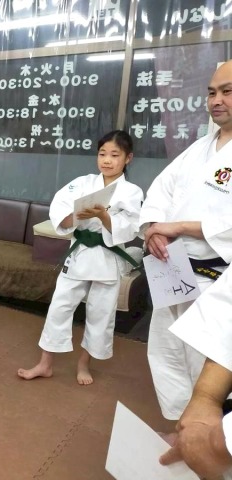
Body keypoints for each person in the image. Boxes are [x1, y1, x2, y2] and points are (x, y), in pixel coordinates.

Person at [139, 59, 232, 422]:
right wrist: (153, 228)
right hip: (173, 264)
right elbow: (161, 189)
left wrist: (178, 227)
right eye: (211, 92)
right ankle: (180, 426)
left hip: (216, 276)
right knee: (168, 349)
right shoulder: (200, 148)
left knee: (205, 357)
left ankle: (206, 434)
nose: (216, 100)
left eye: (227, 92)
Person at [18, 130, 143, 385]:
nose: (107, 160)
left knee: (100, 314)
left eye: (115, 155)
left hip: (107, 259)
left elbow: (131, 227)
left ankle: (84, 363)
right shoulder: (82, 183)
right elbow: (60, 211)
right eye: (102, 154)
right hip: (79, 254)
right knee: (59, 307)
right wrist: (76, 216)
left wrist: (104, 216)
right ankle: (45, 363)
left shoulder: (132, 192)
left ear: (128, 158)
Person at [158, 267, 232, 479]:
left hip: (209, 273)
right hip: (173, 269)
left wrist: (220, 441)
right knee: (173, 358)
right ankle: (187, 436)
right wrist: (206, 397)